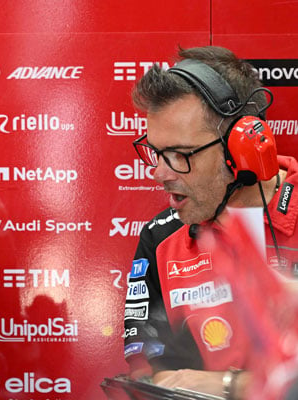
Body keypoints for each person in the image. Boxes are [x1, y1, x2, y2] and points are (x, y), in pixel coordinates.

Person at [123, 45, 298, 399]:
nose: (159, 173)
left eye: (179, 155)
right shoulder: (161, 240)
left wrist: (234, 386)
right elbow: (153, 373)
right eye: (156, 153)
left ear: (243, 148)